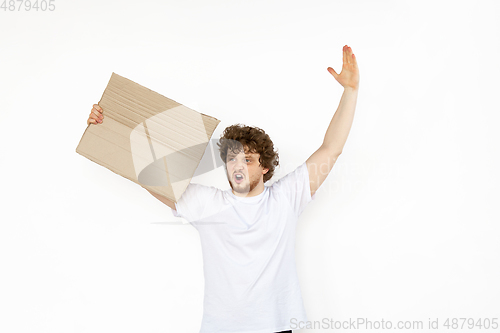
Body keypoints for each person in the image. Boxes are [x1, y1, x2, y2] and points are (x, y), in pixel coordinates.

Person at [86, 45, 359, 333]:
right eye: (232, 158)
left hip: (278, 326)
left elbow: (331, 148)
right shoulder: (207, 204)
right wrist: (105, 126)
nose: (237, 166)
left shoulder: (286, 198)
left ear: (265, 167)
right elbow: (146, 173)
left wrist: (350, 92)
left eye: (248, 159)